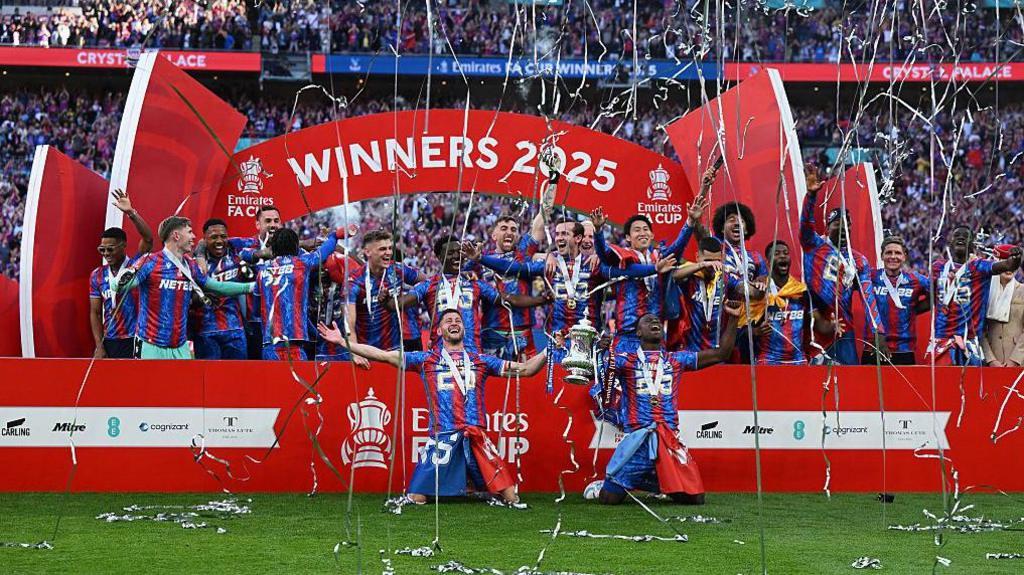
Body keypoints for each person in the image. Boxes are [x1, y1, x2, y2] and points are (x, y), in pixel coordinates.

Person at [317, 309, 551, 504]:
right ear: (439, 330)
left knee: (512, 499)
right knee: (416, 498)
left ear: (463, 329)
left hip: (475, 437)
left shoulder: (481, 360)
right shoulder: (426, 359)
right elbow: (381, 355)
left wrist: (548, 350)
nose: (454, 323)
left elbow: (527, 370)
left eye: (458, 320)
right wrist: (343, 342)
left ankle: (475, 487)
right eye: (448, 321)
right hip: (444, 438)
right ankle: (469, 488)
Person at [594, 307, 740, 506]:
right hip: (638, 439)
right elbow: (601, 376)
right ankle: (617, 483)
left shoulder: (677, 359)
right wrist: (601, 352)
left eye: (656, 320)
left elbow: (722, 354)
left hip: (668, 438)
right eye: (647, 321)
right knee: (608, 500)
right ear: (638, 333)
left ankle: (654, 482)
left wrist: (733, 318)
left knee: (695, 499)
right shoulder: (625, 360)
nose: (654, 322)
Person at [466, 219, 671, 333]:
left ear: (578, 238)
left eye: (564, 234)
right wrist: (481, 258)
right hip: (558, 338)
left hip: (589, 337)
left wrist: (655, 268)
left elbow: (625, 272)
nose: (559, 238)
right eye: (558, 234)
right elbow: (512, 268)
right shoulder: (549, 264)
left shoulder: (595, 266)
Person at [118, 216, 255, 359]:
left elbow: (217, 286)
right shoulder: (150, 262)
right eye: (189, 232)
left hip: (180, 345)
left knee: (186, 382)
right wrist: (125, 276)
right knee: (151, 382)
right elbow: (121, 286)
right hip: (150, 343)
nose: (194, 237)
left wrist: (251, 287)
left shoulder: (190, 265)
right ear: (176, 236)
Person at [388, 236, 549, 353]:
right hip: (440, 354)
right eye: (450, 253)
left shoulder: (475, 283)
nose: (456, 256)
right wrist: (385, 299)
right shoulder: (428, 286)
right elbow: (399, 304)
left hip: (472, 354)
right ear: (439, 257)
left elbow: (509, 299)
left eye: (459, 252)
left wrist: (543, 299)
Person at [800, 169, 885, 365]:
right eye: (837, 223)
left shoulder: (859, 260)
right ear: (827, 227)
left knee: (849, 381)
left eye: (846, 223)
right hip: (815, 323)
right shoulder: (814, 245)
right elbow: (805, 224)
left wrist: (878, 332)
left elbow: (868, 297)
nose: (842, 226)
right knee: (813, 381)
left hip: (844, 327)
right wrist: (811, 196)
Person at [930, 229, 1022, 366]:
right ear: (950, 242)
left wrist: (1015, 258)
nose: (961, 238)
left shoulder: (978, 267)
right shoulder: (938, 267)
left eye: (966, 236)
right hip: (941, 343)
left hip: (970, 343)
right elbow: (928, 295)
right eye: (957, 235)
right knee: (940, 385)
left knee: (970, 386)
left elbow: (1007, 265)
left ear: (972, 244)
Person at [254, 226, 344, 360]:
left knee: (274, 382)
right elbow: (323, 252)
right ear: (296, 247)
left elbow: (256, 309)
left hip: (269, 345)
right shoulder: (302, 263)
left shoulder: (262, 271)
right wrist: (334, 236)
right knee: (298, 381)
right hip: (294, 344)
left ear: (273, 249)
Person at [338, 230, 426, 361]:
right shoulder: (353, 281)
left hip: (395, 352)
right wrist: (356, 353)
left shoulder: (397, 269)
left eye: (390, 248)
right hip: (367, 352)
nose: (389, 253)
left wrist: (409, 299)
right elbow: (349, 323)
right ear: (367, 252)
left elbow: (427, 282)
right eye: (382, 249)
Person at [88, 189, 153, 359]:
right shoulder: (97, 275)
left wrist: (131, 213)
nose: (106, 253)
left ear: (123, 246)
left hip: (137, 338)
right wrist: (99, 346)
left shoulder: (136, 266)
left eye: (110, 249)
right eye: (102, 249)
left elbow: (148, 239)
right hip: (110, 340)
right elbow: (95, 313)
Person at [749, 240, 832, 365]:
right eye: (777, 254)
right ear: (768, 262)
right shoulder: (759, 290)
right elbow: (743, 326)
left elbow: (819, 325)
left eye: (786, 253)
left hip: (798, 360)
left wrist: (833, 326)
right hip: (768, 360)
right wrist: (755, 331)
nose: (782, 256)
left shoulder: (801, 292)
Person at [478, 212, 545, 360]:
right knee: (494, 381)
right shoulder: (479, 260)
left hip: (523, 332)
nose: (509, 232)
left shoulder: (523, 253)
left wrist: (553, 187)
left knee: (525, 379)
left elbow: (542, 217)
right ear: (493, 235)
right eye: (504, 228)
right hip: (492, 332)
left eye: (513, 229)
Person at [669, 237, 750, 353]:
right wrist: (702, 265)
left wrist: (759, 286)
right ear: (697, 257)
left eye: (716, 261)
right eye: (708, 260)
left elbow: (746, 289)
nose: (712, 265)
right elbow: (672, 276)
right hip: (689, 352)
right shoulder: (690, 275)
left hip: (717, 353)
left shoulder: (725, 277)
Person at [190, 218, 254, 360]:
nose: (219, 241)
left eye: (223, 236)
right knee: (210, 380)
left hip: (235, 330)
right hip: (206, 332)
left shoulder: (235, 251)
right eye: (213, 237)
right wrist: (200, 297)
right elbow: (189, 298)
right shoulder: (193, 263)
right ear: (204, 239)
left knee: (238, 377)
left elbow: (263, 244)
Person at [862, 236, 930, 365]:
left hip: (904, 350)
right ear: (881, 256)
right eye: (888, 252)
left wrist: (913, 308)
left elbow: (936, 294)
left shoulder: (915, 279)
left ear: (904, 256)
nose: (893, 257)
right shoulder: (869, 277)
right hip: (872, 347)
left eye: (897, 253)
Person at [238, 205, 283, 359]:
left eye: (276, 221)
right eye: (268, 221)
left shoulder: (291, 248)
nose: (273, 225)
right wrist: (200, 254)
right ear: (258, 224)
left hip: (283, 322)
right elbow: (208, 240)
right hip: (254, 322)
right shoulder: (244, 245)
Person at [982, 270, 1024, 367]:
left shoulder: (1022, 291)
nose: (1009, 267)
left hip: (1020, 361)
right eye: (1005, 262)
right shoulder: (986, 291)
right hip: (992, 361)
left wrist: (1015, 359)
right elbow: (980, 329)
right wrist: (991, 360)